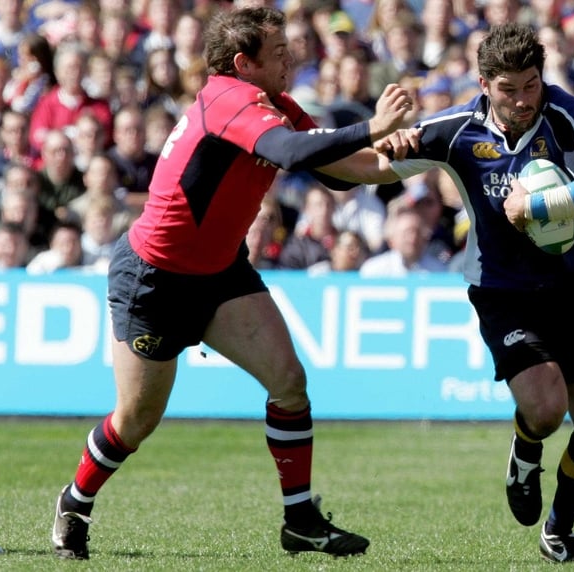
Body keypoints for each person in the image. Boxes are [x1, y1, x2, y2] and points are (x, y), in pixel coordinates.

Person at [50, 5, 412, 561]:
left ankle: (301, 521)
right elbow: (293, 154)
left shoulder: (271, 102)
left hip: (219, 272)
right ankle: (75, 500)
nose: (293, 58)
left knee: (290, 382)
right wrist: (374, 128)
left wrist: (411, 158)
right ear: (243, 63)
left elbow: (337, 168)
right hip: (156, 279)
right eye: (280, 52)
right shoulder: (229, 98)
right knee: (136, 420)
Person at [318, 22, 574, 563]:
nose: (523, 99)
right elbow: (364, 170)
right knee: (547, 408)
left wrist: (537, 207)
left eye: (531, 84)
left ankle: (558, 529)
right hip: (505, 292)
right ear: (485, 83)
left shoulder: (565, 111)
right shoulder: (454, 130)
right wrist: (341, 142)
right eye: (509, 89)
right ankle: (525, 448)